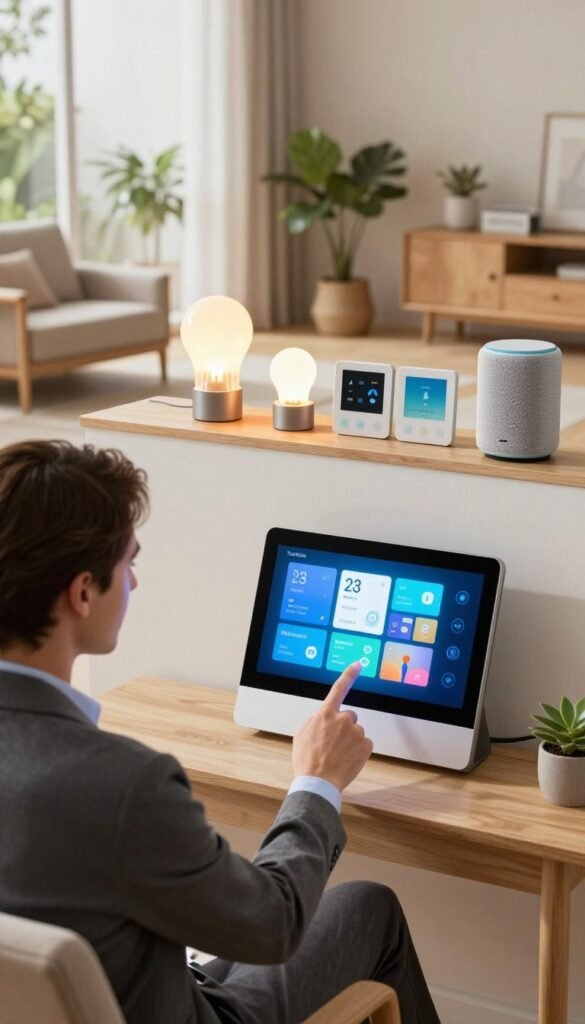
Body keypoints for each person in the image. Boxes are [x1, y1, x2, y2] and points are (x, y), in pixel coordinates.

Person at [0, 439, 440, 1024]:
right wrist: (317, 783)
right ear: (83, 592)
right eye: (128, 564)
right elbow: (272, 926)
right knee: (369, 908)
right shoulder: (126, 785)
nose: (134, 584)